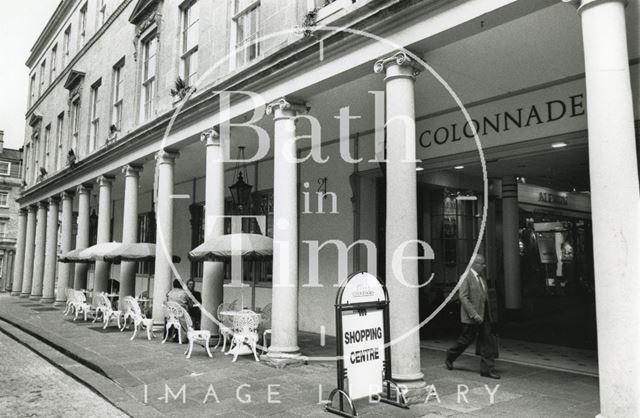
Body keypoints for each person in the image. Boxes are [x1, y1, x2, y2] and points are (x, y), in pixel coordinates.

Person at [445, 254, 500, 379]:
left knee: (488, 341)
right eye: (482, 264)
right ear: (474, 265)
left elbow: (483, 295)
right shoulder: (465, 277)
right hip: (471, 317)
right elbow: (463, 297)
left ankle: (487, 370)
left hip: (484, 314)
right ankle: (450, 355)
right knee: (466, 340)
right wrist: (474, 314)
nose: (484, 266)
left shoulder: (482, 277)